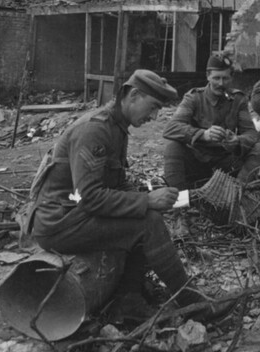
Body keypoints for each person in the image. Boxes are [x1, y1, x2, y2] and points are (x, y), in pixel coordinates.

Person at [29, 69, 234, 324]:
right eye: (153, 107)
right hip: (59, 223)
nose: (155, 116)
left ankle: (129, 302)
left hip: (74, 215)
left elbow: (114, 184)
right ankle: (194, 303)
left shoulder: (117, 127)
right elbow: (89, 197)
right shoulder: (95, 130)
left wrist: (151, 197)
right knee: (147, 221)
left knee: (146, 214)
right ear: (134, 95)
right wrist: (147, 201)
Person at [163, 53, 260, 191]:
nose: (221, 83)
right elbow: (171, 128)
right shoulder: (194, 98)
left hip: (227, 163)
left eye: (225, 78)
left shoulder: (238, 99)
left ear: (231, 77)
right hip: (198, 161)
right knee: (172, 146)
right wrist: (203, 134)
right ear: (208, 76)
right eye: (216, 78)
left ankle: (236, 193)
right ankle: (177, 201)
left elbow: (251, 133)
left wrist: (237, 141)